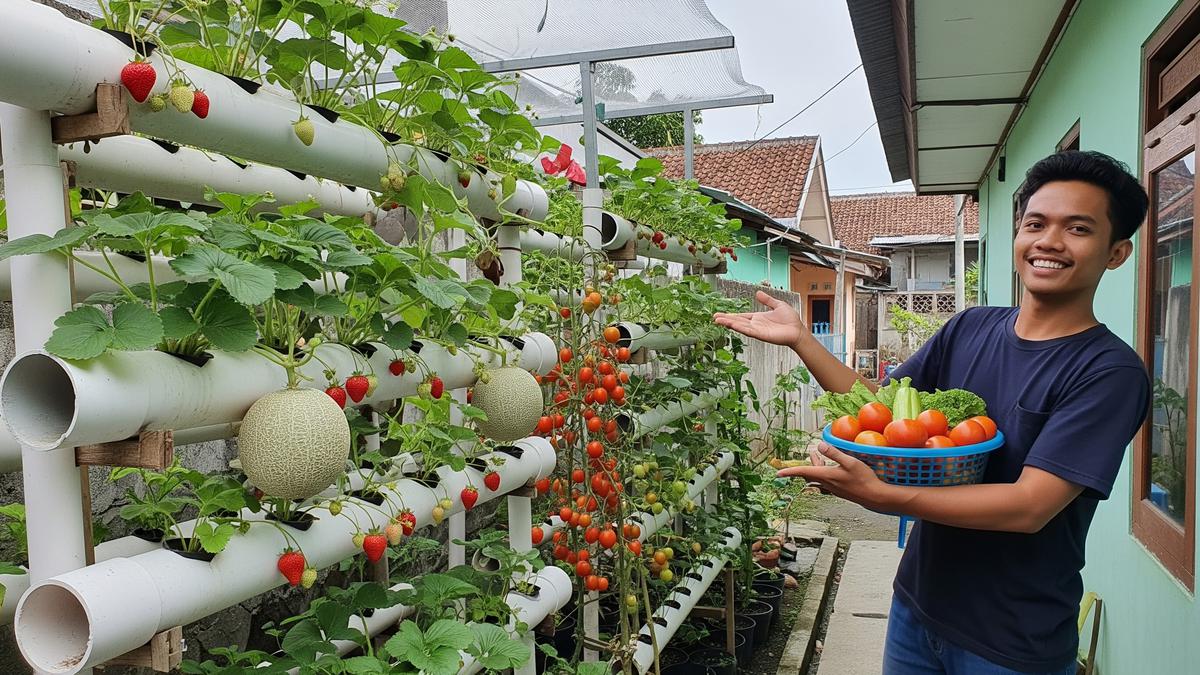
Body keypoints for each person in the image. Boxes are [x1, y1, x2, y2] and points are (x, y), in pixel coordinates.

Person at [713, 150, 1151, 675]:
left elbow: (1029, 506)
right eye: (1035, 223)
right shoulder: (971, 328)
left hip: (1013, 641)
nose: (1049, 241)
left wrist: (884, 496)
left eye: (1078, 228)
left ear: (1116, 253)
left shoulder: (1108, 373)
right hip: (917, 609)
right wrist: (802, 341)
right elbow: (880, 408)